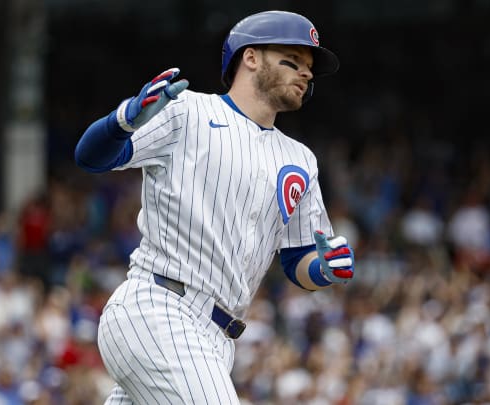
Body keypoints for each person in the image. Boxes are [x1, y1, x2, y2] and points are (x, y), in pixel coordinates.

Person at [74, 10, 356, 404]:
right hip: (159, 309)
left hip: (217, 339)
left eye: (310, 68)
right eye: (292, 60)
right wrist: (122, 120)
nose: (305, 73)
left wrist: (324, 269)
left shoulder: (301, 159)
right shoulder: (187, 110)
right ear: (250, 57)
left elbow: (298, 260)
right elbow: (91, 157)